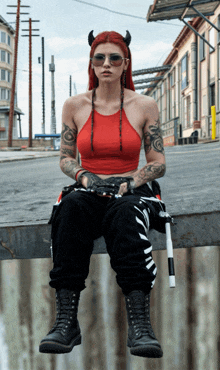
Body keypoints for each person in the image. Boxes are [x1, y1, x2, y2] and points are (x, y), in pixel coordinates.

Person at [39, 30, 166, 358]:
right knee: (70, 210)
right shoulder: (74, 106)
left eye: (114, 57)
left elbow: (158, 162)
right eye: (99, 58)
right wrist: (83, 175)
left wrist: (133, 181)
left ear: (126, 63)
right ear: (91, 64)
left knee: (126, 214)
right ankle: (66, 321)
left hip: (131, 189)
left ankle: (140, 324)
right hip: (90, 188)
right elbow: (66, 157)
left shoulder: (144, 105)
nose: (106, 63)